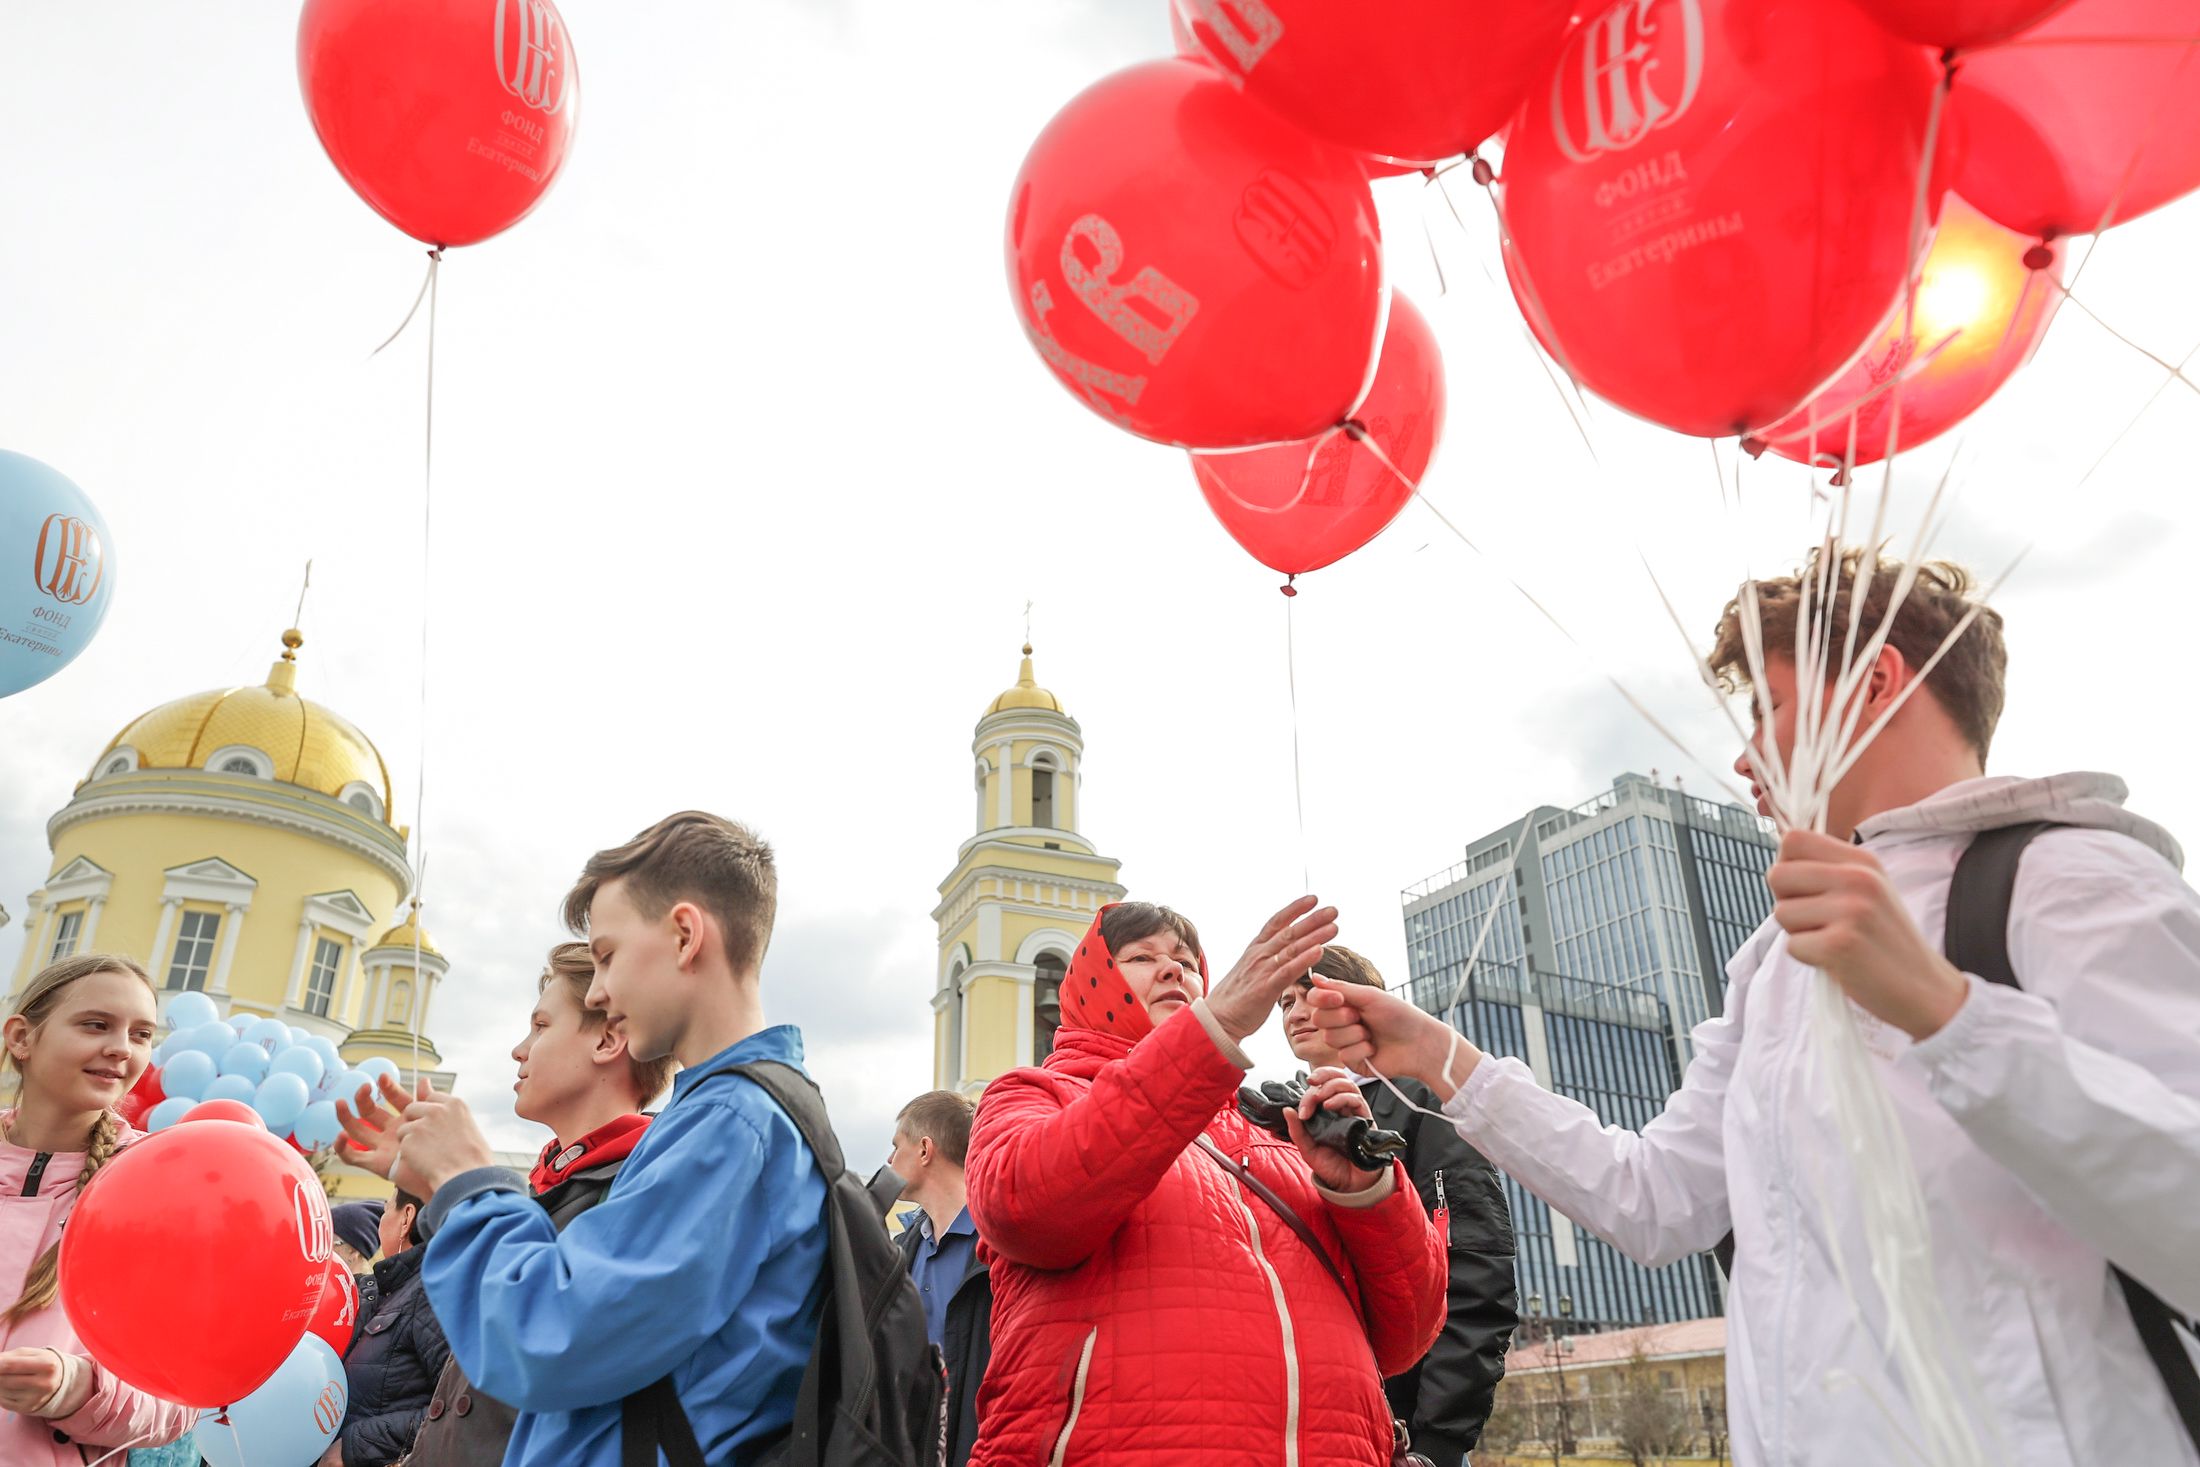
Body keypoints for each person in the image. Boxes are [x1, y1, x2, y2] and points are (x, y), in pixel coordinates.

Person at [1305, 552, 2200, 1466]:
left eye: (1768, 708)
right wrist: (1438, 1053)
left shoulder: (2073, 879)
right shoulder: (1770, 960)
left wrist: (1946, 1013)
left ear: (1878, 681)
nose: (1741, 755)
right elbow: (1655, 1200)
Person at [338, 812, 828, 1466]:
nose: (599, 988)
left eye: (606, 955)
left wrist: (468, 1182)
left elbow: (547, 1336)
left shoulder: (734, 1123)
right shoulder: (719, 1116)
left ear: (685, 935)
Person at [965, 898, 1447, 1467]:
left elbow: (1405, 1336)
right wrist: (1211, 1033)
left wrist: (1366, 1190)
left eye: (1187, 961)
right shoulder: (1036, 1095)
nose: (1173, 970)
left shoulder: (1282, 1136)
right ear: (1090, 982)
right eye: (1142, 957)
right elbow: (1028, 1212)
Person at [400, 941, 673, 1467]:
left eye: (541, 1026)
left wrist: (462, 1179)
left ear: (609, 1040)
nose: (520, 1049)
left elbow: (549, 1371)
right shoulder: (548, 1185)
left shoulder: (637, 1192)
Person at [1279, 947, 1517, 1466]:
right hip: (1323, 1431)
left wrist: (1437, 1441)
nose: (1293, 1012)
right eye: (1283, 1000)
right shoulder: (1283, 1118)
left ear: (1358, 1003)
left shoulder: (1425, 1104)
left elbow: (1475, 1273)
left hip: (1408, 1438)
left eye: (1308, 993)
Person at [0, 955, 197, 1466]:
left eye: (141, 1034)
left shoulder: (161, 1188)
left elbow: (180, 1397)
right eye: (96, 1024)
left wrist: (79, 1391)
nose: (120, 1048)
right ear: (22, 1037)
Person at [887, 1089, 988, 1467]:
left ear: (925, 1150)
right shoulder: (898, 1253)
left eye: (897, 1145)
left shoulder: (1002, 1249)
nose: (889, 1159)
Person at [323, 1189, 451, 1466]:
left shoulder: (431, 1295)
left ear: (406, 1218)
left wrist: (355, 1445)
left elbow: (456, 1408)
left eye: (385, 1211)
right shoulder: (390, 1290)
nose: (381, 1222)